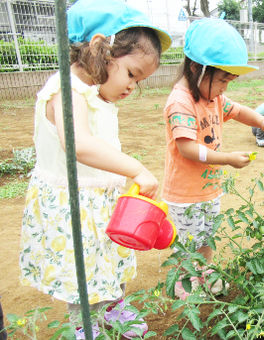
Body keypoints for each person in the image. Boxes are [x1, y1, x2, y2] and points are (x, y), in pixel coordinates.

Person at [18, 0, 171, 338]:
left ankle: (114, 305)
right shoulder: (65, 89)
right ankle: (85, 327)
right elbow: (80, 144)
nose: (132, 87)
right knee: (82, 274)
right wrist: (136, 169)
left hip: (100, 200)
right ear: (102, 48)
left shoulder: (94, 93)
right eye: (131, 74)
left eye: (139, 81)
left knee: (109, 258)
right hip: (71, 205)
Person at [162, 18, 264, 299]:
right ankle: (184, 280)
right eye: (223, 79)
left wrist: (262, 121)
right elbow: (187, 148)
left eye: (229, 81)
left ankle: (204, 271)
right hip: (184, 192)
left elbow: (237, 111)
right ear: (196, 69)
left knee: (207, 236)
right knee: (187, 241)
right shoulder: (181, 101)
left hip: (209, 187)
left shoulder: (213, 97)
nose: (225, 87)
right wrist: (225, 159)